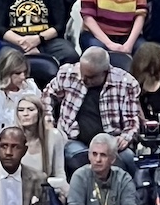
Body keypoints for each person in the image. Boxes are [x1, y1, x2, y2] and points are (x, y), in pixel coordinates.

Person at [44, 46, 141, 176]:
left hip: (110, 142)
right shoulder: (68, 73)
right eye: (82, 74)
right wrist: (49, 124)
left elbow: (132, 120)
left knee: (128, 160)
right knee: (82, 158)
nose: (84, 80)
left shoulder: (126, 83)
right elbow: (46, 96)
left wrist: (125, 137)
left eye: (90, 77)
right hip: (73, 138)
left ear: (105, 72)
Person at [67, 131, 137, 205]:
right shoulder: (79, 176)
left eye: (103, 155)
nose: (98, 159)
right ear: (89, 156)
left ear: (112, 159)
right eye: (94, 154)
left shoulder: (124, 178)